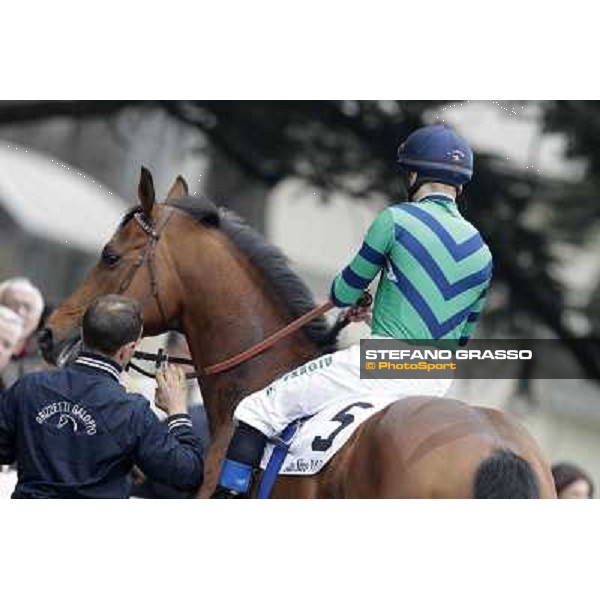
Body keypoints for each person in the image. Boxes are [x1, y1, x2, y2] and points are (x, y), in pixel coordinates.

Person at [214, 124, 493, 498]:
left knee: (257, 409)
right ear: (461, 184)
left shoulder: (397, 219)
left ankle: (227, 499)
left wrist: (357, 300)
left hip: (381, 364)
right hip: (439, 379)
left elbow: (345, 291)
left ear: (412, 175)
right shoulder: (482, 252)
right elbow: (460, 338)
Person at [0, 294, 203, 499]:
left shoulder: (29, 387)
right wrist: (178, 412)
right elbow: (187, 473)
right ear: (128, 350)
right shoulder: (131, 412)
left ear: (82, 334)